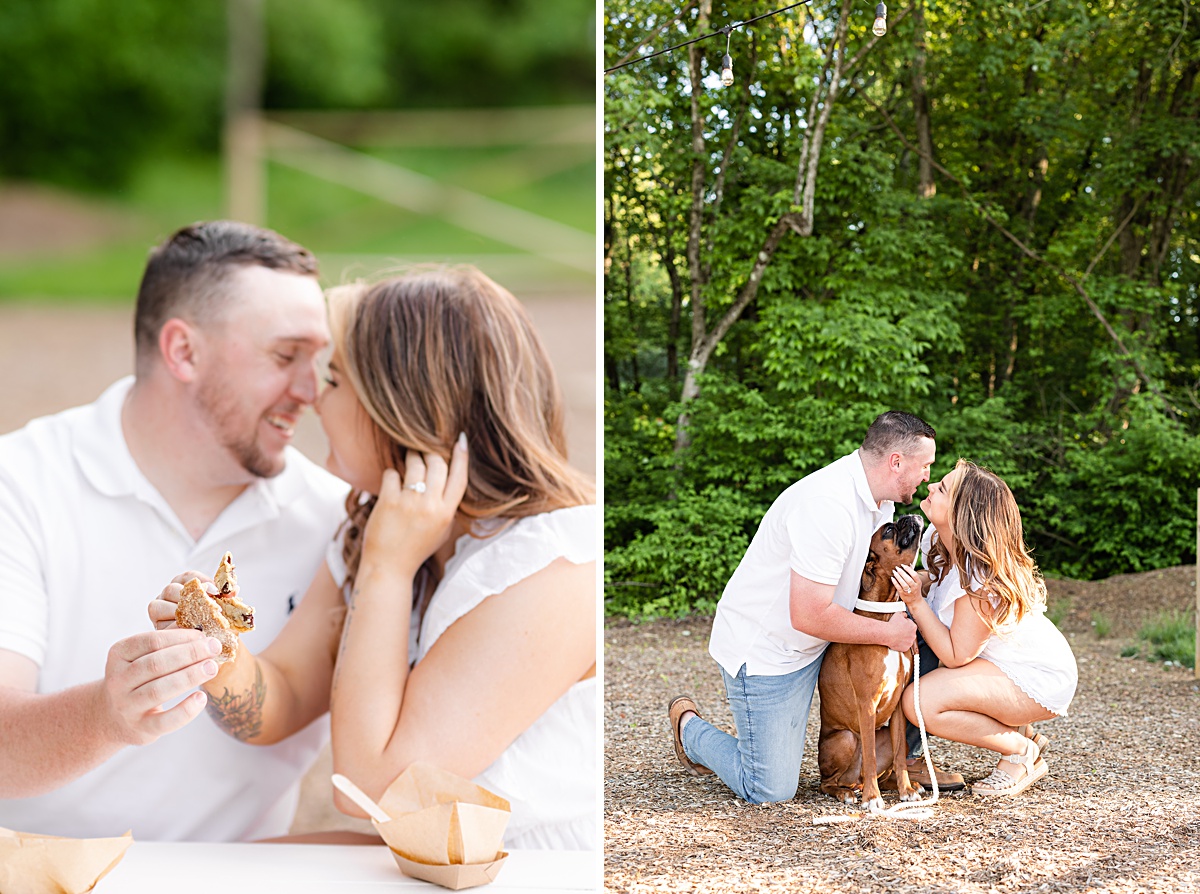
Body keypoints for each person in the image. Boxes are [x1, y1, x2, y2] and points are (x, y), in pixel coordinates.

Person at [151, 266, 598, 849]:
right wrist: (214, 648)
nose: (311, 395)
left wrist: (389, 569)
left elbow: (369, 788)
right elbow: (282, 693)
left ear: (407, 406)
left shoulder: (556, 565)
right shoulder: (376, 525)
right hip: (435, 864)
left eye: (334, 379)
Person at [0, 221, 349, 841]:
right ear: (183, 351)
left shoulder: (337, 517)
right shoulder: (20, 483)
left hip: (242, 881)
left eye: (317, 361)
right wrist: (109, 716)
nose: (310, 391)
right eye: (284, 355)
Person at [669, 411, 956, 805]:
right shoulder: (827, 506)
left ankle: (898, 762)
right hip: (771, 651)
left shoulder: (881, 502)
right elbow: (807, 615)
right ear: (896, 462)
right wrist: (889, 633)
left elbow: (874, 580)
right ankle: (690, 730)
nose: (927, 476)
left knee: (939, 639)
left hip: (825, 643)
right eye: (925, 466)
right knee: (769, 790)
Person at [891, 459, 1078, 796]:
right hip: (1000, 662)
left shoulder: (979, 577)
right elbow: (939, 587)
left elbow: (955, 655)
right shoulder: (941, 539)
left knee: (921, 701)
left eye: (943, 488)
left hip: (1036, 673)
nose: (931, 486)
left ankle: (1020, 751)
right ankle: (1020, 729)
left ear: (963, 514)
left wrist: (915, 602)